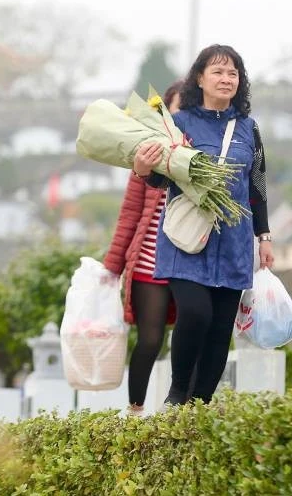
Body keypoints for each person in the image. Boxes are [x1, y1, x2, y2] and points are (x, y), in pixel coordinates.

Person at [139, 44, 274, 405]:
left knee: (219, 331)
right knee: (196, 313)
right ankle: (177, 393)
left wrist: (264, 236)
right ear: (199, 78)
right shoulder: (179, 123)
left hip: (233, 242)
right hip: (187, 241)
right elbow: (159, 179)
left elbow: (256, 186)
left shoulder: (249, 129)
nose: (226, 79)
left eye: (233, 73)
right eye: (218, 72)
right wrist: (142, 167)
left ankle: (199, 406)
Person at [102, 80, 184, 417]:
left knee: (187, 338)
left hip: (190, 263)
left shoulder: (206, 151)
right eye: (178, 108)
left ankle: (182, 408)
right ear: (164, 112)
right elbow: (129, 215)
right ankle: (136, 411)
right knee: (150, 340)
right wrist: (112, 266)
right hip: (149, 264)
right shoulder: (147, 153)